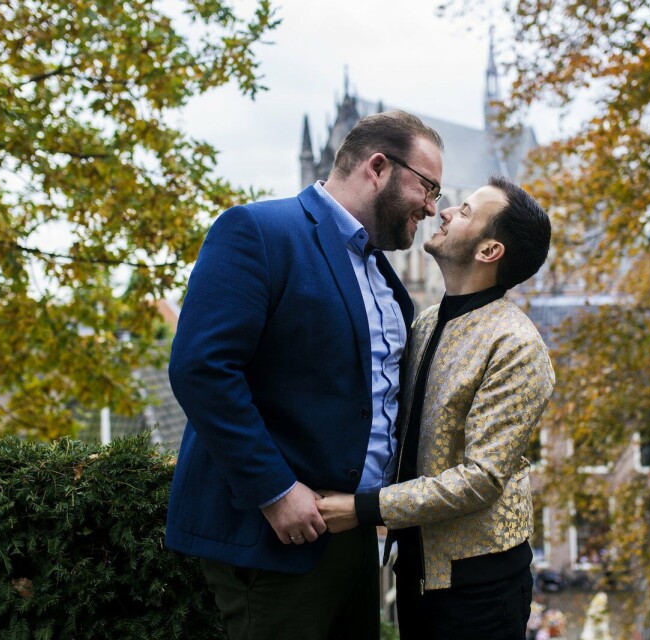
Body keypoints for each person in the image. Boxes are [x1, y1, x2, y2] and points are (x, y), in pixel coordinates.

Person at [165, 110, 444, 639]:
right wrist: (274, 491)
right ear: (378, 167)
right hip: (275, 542)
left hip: (354, 538)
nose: (432, 208)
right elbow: (201, 368)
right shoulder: (258, 230)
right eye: (427, 187)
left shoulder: (382, 271)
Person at [319, 176, 555, 640]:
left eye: (465, 211)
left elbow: (482, 478)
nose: (444, 212)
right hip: (416, 568)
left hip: (479, 585)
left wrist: (364, 508)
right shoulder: (425, 322)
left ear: (489, 251)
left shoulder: (517, 344)